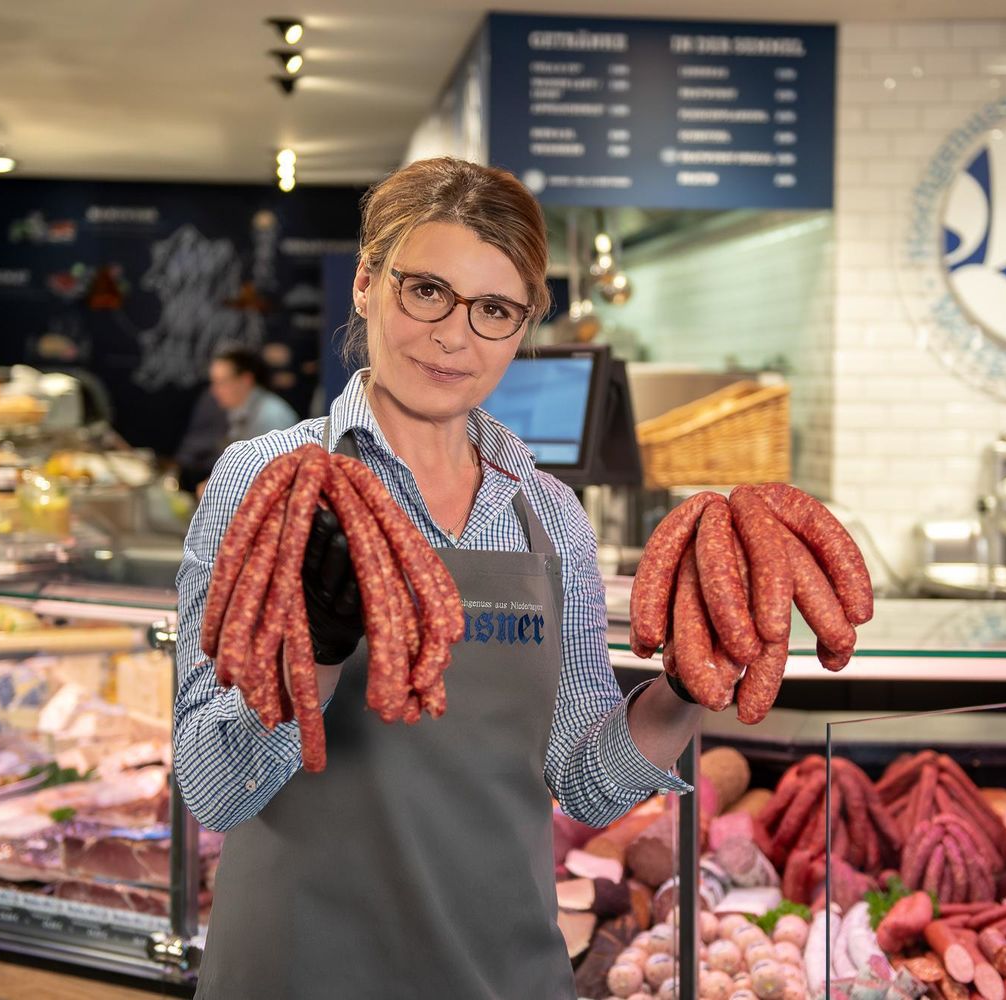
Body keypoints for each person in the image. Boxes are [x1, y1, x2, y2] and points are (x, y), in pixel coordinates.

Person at [174, 157, 704, 997]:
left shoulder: (548, 512)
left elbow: (588, 785)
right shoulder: (267, 480)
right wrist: (309, 661)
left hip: (502, 973)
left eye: (494, 310)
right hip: (294, 971)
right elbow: (209, 789)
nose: (454, 335)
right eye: (426, 291)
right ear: (365, 284)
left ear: (523, 324)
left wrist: (689, 685)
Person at [207, 347, 299, 445]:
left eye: (222, 382)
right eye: (213, 382)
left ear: (246, 380)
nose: (213, 390)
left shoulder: (271, 416)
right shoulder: (237, 409)